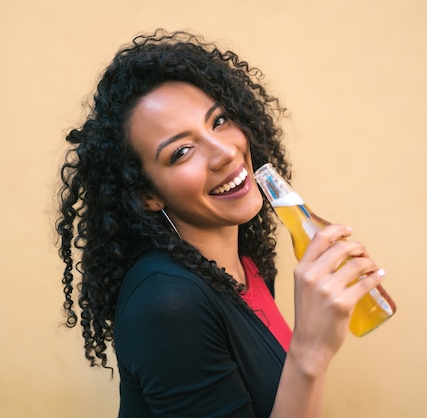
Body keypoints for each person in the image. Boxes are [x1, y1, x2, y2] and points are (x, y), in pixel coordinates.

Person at [57, 29, 386, 418]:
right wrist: (311, 351)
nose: (225, 152)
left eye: (219, 120)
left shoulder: (246, 266)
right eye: (181, 152)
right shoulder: (167, 304)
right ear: (148, 194)